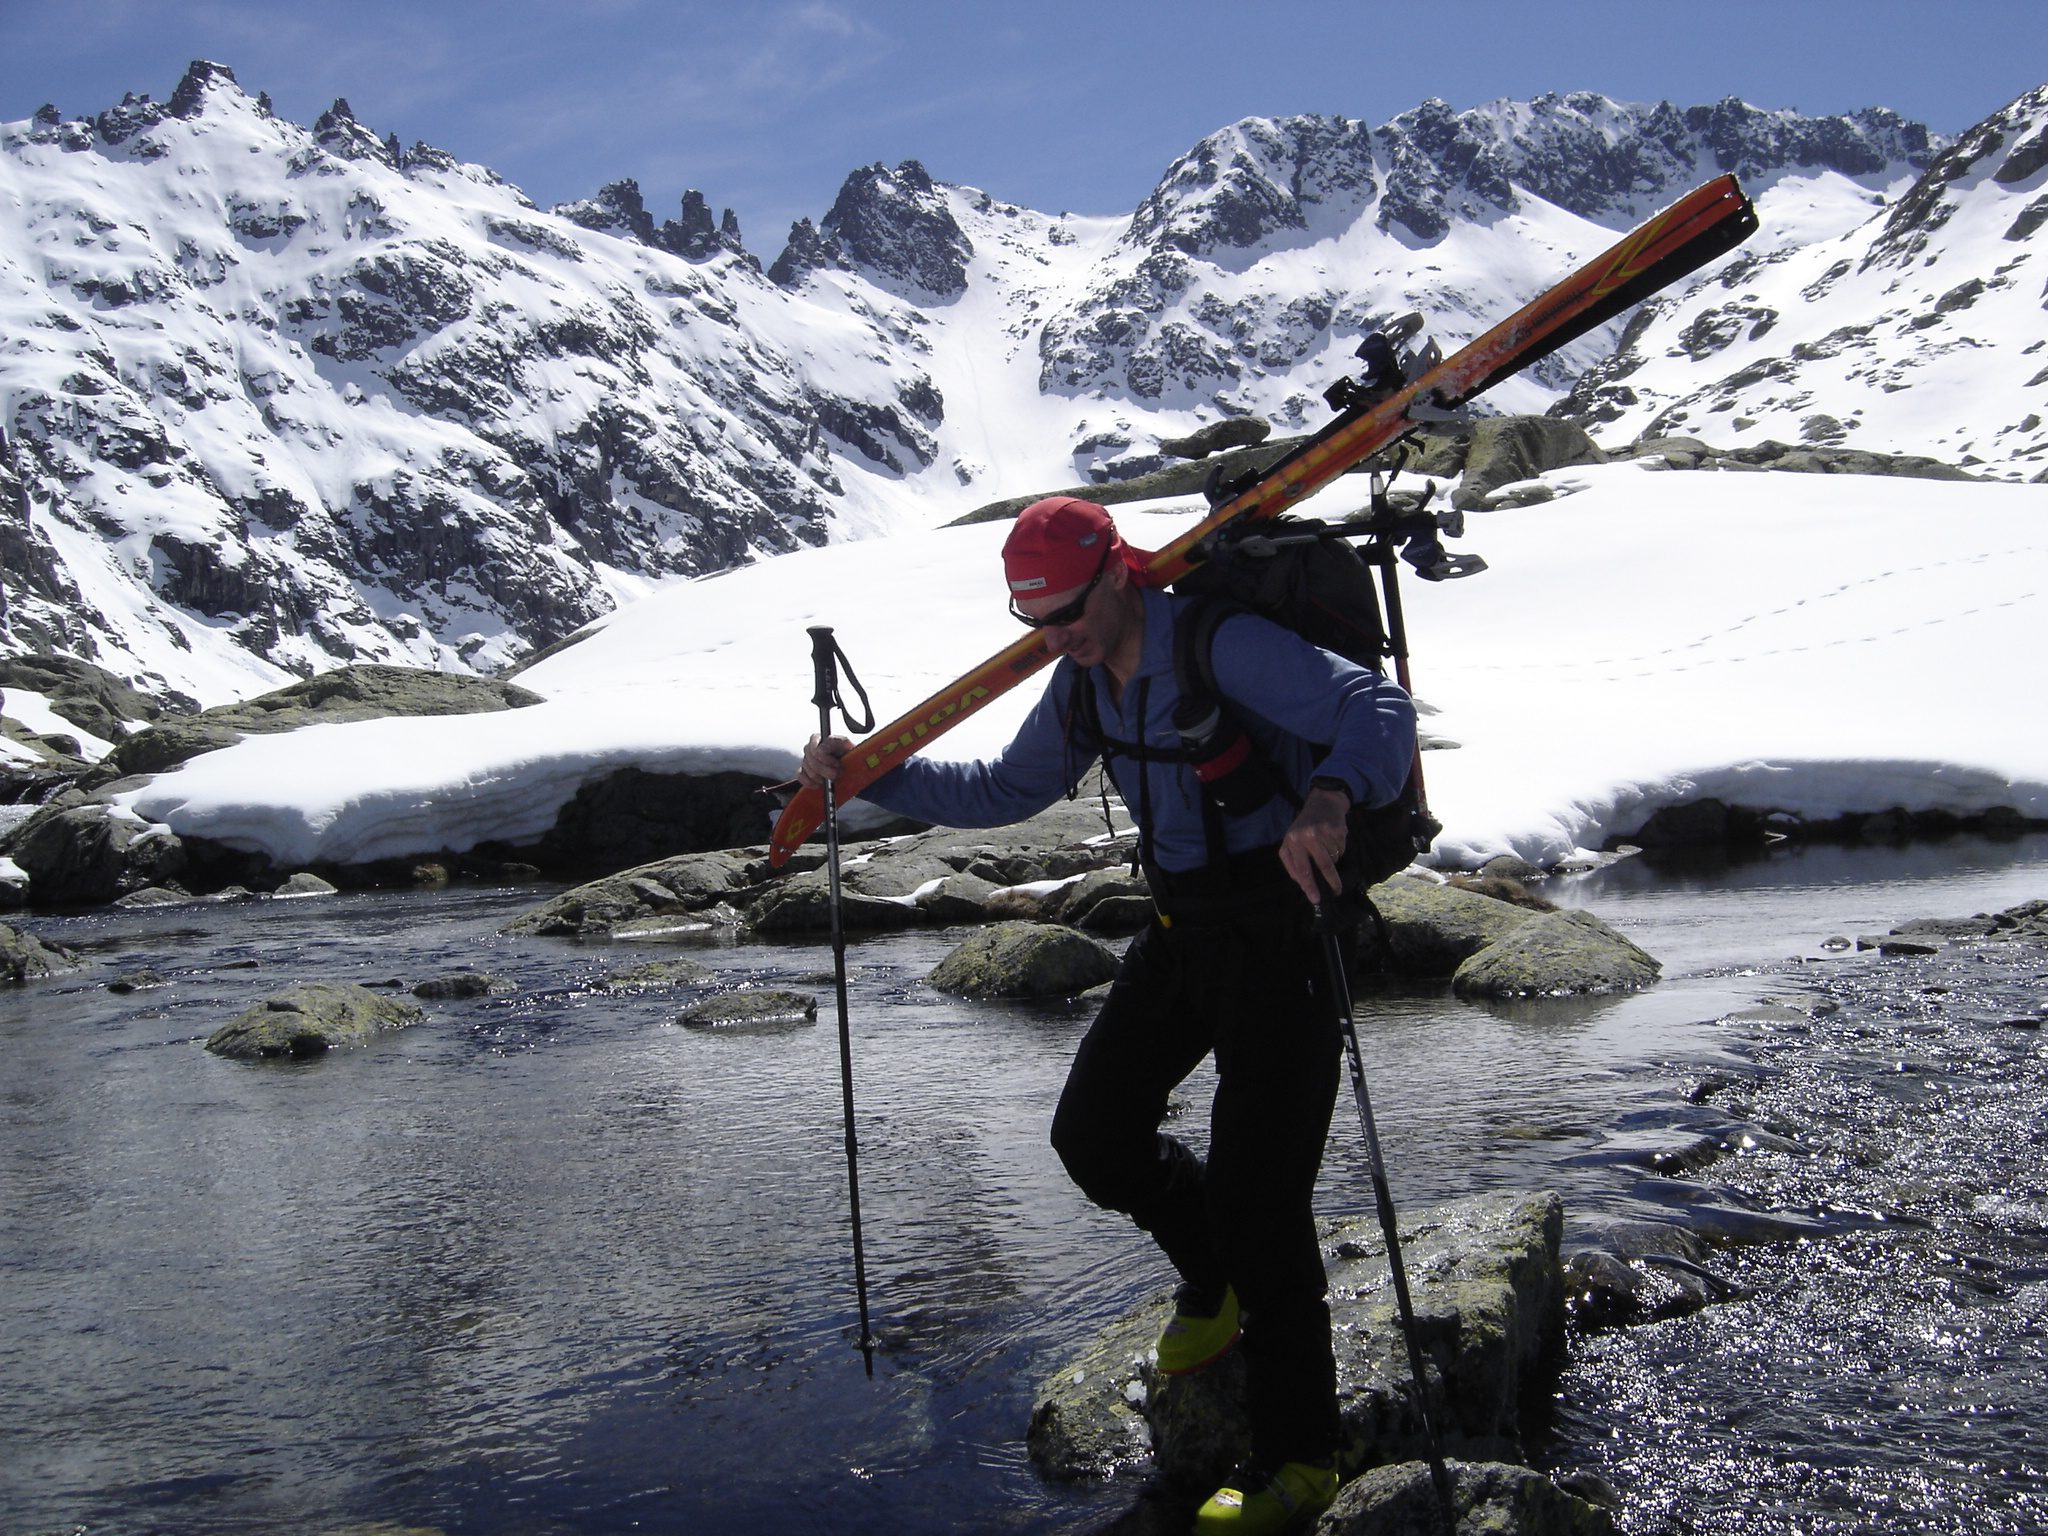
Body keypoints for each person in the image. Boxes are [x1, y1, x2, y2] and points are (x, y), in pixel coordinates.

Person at [798, 495, 1417, 1534]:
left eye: (1070, 612)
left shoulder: (1222, 642)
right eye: (1036, 621)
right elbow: (1004, 789)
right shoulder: (1080, 682)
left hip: (1284, 932)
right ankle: (1210, 1278)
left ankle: (1305, 1454)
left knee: (1262, 1200)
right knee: (1092, 1135)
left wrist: (1330, 797)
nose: (1058, 636)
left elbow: (1377, 712)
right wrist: (871, 773)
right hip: (1182, 931)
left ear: (1120, 572)